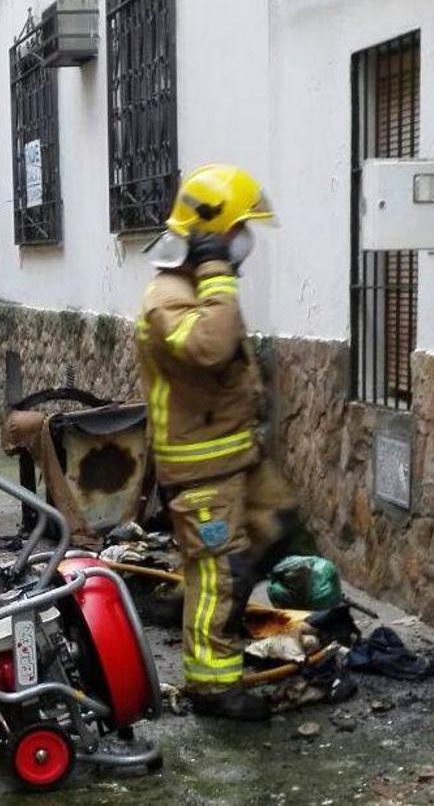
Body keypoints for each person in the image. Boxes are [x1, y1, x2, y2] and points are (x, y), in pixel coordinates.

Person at [135, 164, 299, 721]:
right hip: (201, 469)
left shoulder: (199, 286)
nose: (245, 243)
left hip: (233, 455)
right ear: (213, 235)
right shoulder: (169, 295)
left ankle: (199, 601)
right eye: (239, 230)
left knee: (278, 525)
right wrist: (217, 271)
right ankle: (212, 684)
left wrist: (214, 273)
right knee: (220, 573)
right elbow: (208, 347)